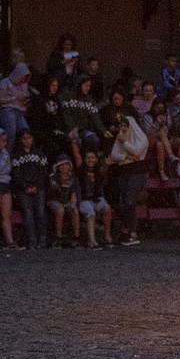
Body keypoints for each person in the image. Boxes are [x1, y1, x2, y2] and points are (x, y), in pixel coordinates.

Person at [106, 115, 148, 246]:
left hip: (137, 172)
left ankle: (133, 232)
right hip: (124, 172)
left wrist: (124, 143)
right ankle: (126, 230)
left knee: (130, 201)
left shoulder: (141, 138)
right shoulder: (120, 136)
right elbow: (114, 155)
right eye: (121, 126)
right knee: (123, 202)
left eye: (125, 126)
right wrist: (126, 157)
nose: (123, 128)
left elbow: (138, 151)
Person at [11, 129, 49, 249]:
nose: (27, 141)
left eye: (29, 138)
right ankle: (32, 240)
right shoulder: (16, 155)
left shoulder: (39, 153)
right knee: (28, 214)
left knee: (41, 213)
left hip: (39, 187)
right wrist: (25, 186)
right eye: (24, 138)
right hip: (23, 189)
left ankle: (42, 240)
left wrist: (37, 186)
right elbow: (15, 174)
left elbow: (43, 172)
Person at [62, 75, 111, 166]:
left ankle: (91, 164)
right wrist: (73, 129)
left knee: (94, 138)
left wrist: (103, 130)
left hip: (82, 130)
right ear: (79, 85)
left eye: (89, 86)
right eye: (86, 86)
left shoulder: (89, 99)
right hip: (69, 130)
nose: (88, 88)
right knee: (76, 143)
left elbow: (95, 116)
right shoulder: (68, 96)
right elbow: (67, 116)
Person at [76, 149, 113, 248]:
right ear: (84, 159)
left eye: (92, 157)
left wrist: (106, 166)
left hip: (96, 198)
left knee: (107, 209)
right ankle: (92, 241)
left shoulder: (99, 171)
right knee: (91, 214)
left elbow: (104, 181)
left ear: (96, 159)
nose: (90, 160)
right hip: (84, 199)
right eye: (88, 158)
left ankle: (107, 236)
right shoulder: (80, 171)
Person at [28, 76, 67, 160]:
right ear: (47, 85)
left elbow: (61, 116)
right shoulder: (39, 99)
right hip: (43, 130)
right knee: (51, 145)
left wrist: (60, 128)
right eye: (53, 85)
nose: (55, 88)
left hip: (56, 130)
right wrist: (52, 128)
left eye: (56, 86)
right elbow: (38, 118)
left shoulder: (57, 99)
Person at [46, 156, 80, 247]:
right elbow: (53, 191)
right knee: (60, 210)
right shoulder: (52, 177)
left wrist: (73, 203)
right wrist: (62, 184)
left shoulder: (73, 177)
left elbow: (74, 192)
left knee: (74, 210)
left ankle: (76, 237)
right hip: (54, 200)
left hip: (67, 200)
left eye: (66, 164)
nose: (64, 167)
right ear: (57, 166)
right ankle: (58, 237)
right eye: (61, 165)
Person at [0, 61, 31, 137]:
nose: (23, 80)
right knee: (11, 134)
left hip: (20, 111)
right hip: (8, 110)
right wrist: (15, 99)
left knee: (26, 132)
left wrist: (26, 101)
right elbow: (0, 99)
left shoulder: (24, 84)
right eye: (22, 76)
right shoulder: (5, 82)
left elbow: (26, 96)